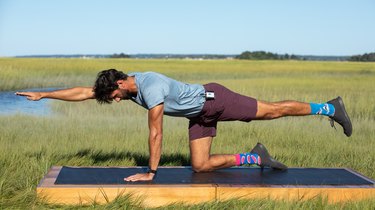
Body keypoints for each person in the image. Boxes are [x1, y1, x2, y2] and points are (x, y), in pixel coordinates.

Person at [16, 69, 352, 182]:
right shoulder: (124, 87)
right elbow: (82, 91)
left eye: (115, 96)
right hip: (199, 115)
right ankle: (256, 157)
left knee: (274, 111)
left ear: (121, 82)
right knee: (201, 166)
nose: (115, 101)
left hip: (215, 100)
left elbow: (156, 131)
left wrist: (152, 172)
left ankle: (328, 107)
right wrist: (43, 96)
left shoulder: (151, 87)